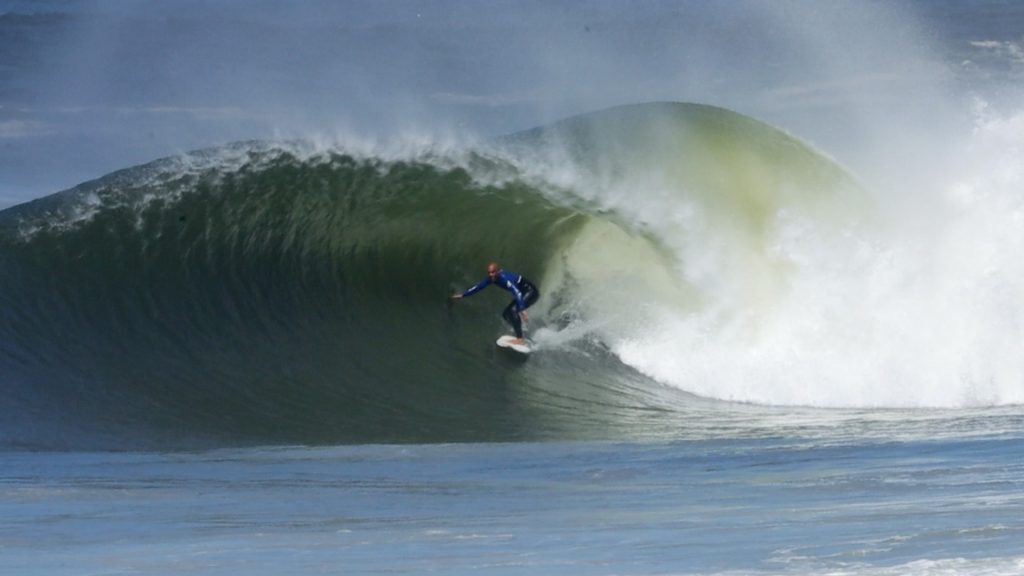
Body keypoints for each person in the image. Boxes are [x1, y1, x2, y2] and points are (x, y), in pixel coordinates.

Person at [451, 262, 539, 344]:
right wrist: (463, 295)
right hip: (523, 293)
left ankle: (520, 338)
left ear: (498, 271)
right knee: (506, 314)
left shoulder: (504, 278)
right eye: (489, 273)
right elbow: (478, 287)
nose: (490, 275)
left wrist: (522, 309)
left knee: (512, 311)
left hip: (531, 292)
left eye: (493, 272)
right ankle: (520, 330)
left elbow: (517, 293)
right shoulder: (491, 279)